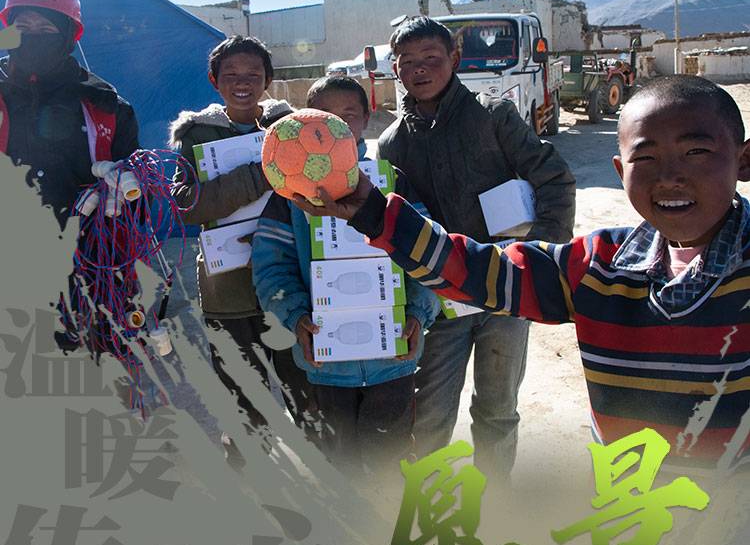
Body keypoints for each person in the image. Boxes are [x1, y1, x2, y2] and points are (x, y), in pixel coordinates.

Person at [296, 75, 750, 477]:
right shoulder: (598, 267)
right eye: (645, 157)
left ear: (744, 160)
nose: (670, 176)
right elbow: (477, 269)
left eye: (696, 152)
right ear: (620, 171)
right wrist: (374, 213)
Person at [376, 16, 575, 476]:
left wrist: (537, 261)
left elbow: (554, 179)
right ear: (395, 69)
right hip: (439, 301)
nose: (419, 69)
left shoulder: (494, 116)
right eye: (407, 61)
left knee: (497, 411)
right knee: (429, 414)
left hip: (505, 296)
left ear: (455, 58)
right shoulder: (392, 145)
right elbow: (394, 228)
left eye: (431, 58)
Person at [252, 74, 440, 483]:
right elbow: (271, 267)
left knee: (390, 458)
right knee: (338, 462)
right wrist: (296, 317)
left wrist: (417, 313)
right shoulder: (289, 194)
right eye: (323, 116)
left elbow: (427, 252)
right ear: (304, 121)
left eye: (348, 116)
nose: (333, 128)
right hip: (325, 364)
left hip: (392, 359)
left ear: (366, 119)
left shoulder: (391, 181)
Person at [169, 35, 317, 450]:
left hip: (288, 285)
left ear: (268, 80)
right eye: (231, 74)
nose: (242, 82)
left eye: (254, 74)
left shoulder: (290, 127)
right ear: (214, 80)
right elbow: (186, 205)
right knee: (243, 402)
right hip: (228, 291)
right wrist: (258, 175)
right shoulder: (196, 135)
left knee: (307, 394)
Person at [0, 0, 139, 227]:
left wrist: (130, 190)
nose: (32, 37)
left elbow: (140, 208)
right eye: (22, 27)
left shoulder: (107, 107)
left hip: (86, 250)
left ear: (68, 35)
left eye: (45, 28)